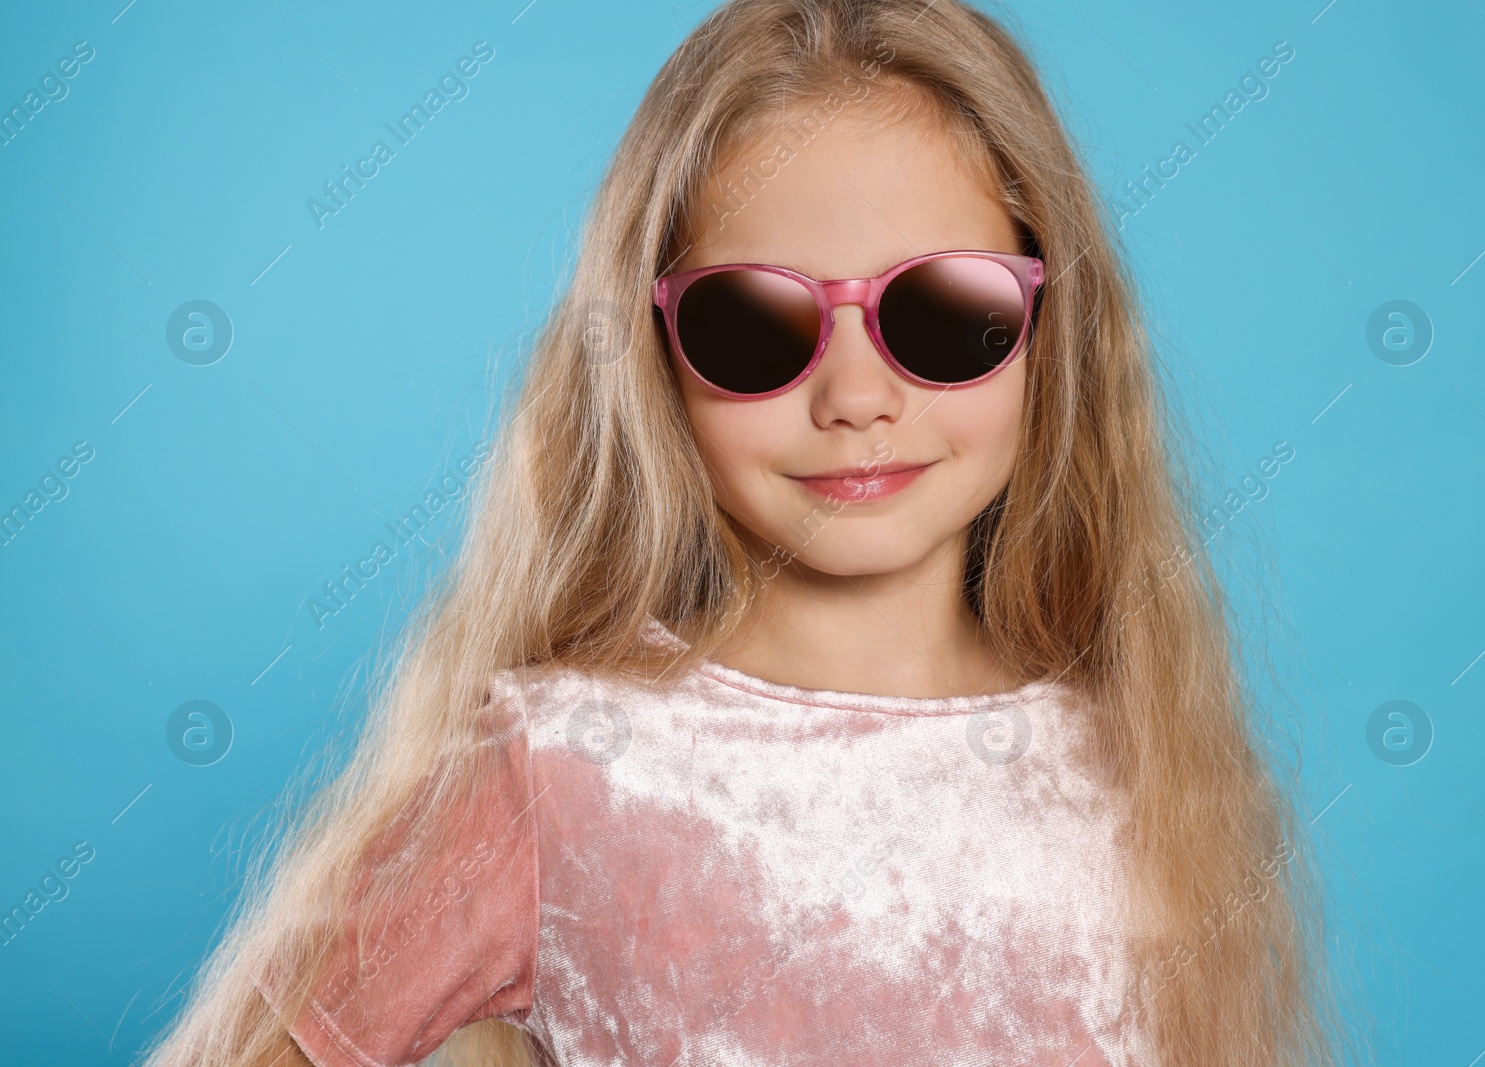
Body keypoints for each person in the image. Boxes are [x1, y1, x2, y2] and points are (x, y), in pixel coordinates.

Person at [143, 1, 1341, 1064]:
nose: (858, 397)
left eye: (946, 310)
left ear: (1050, 321)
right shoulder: (565, 772)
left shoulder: (1145, 772)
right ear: (652, 360)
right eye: (758, 326)